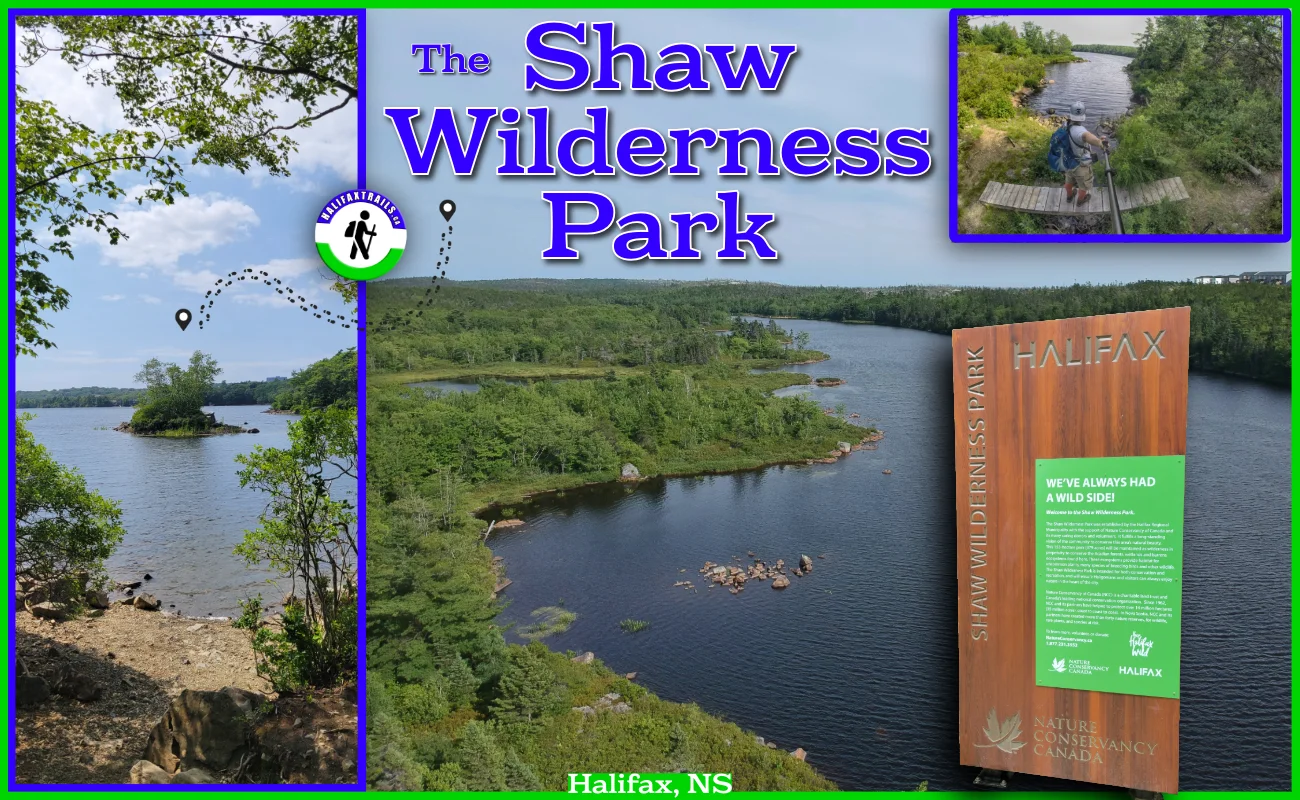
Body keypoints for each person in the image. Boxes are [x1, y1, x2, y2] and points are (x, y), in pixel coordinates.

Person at [1063, 102, 1108, 205]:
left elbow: (1084, 137)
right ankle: (1080, 201)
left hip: (1068, 162)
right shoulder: (1080, 130)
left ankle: (1069, 197)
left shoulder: (1065, 125)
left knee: (1068, 181)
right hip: (1081, 166)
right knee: (1084, 186)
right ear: (1083, 116)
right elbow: (1086, 136)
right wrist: (1099, 143)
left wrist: (1097, 140)